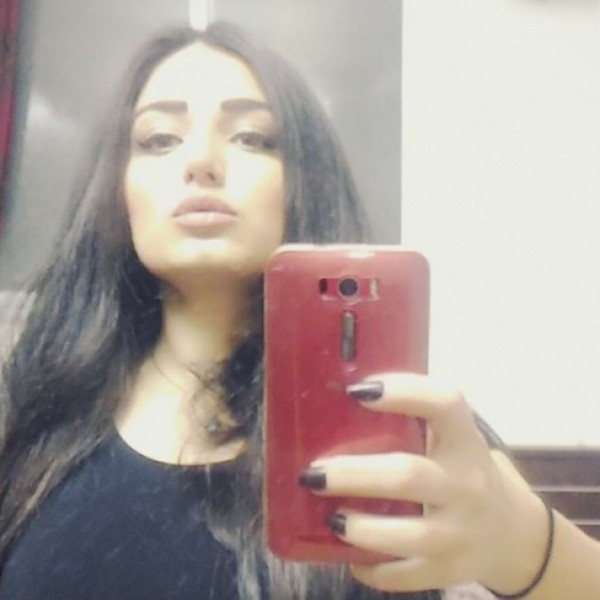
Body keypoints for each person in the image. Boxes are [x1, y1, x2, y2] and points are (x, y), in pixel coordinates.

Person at [0, 21, 599, 600]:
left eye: (252, 137)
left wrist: (518, 539)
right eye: (160, 139)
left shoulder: (403, 425)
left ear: (302, 181)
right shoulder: (32, 396)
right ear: (118, 189)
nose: (201, 160)